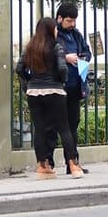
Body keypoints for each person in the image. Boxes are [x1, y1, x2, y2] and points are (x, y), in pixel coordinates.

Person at [16, 17, 82, 178]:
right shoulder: (56, 47)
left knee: (39, 129)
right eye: (55, 28)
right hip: (54, 90)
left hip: (34, 93)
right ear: (50, 30)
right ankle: (73, 165)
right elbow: (62, 69)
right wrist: (61, 81)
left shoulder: (30, 47)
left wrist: (29, 82)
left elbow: (19, 68)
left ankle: (42, 166)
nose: (57, 30)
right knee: (64, 128)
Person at [55, 2, 93, 170]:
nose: (72, 24)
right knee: (57, 125)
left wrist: (79, 57)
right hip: (59, 86)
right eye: (69, 21)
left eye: (74, 21)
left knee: (73, 124)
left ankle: (73, 162)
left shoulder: (76, 35)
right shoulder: (54, 35)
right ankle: (48, 161)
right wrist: (66, 58)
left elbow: (87, 52)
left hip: (76, 85)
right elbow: (49, 54)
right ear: (59, 18)